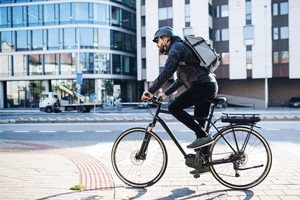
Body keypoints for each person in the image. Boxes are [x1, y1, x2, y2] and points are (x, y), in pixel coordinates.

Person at [141, 26, 218, 149]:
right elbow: (181, 80)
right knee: (200, 127)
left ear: (165, 38)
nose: (157, 45)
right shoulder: (182, 49)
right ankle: (202, 163)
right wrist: (164, 94)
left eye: (158, 41)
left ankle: (203, 136)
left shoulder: (176, 48)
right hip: (207, 85)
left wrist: (150, 91)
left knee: (174, 108)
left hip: (203, 86)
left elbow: (167, 71)